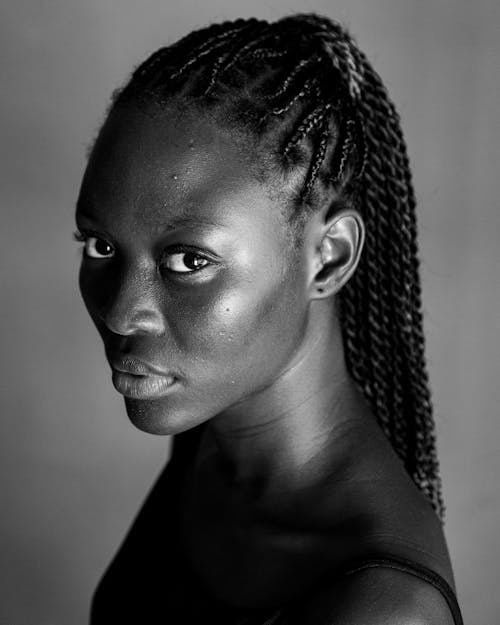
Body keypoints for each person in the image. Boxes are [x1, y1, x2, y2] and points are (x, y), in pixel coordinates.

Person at [75, 13, 463, 624]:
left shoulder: (381, 609)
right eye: (100, 246)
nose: (121, 313)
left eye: (189, 259)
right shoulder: (213, 443)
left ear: (327, 257)